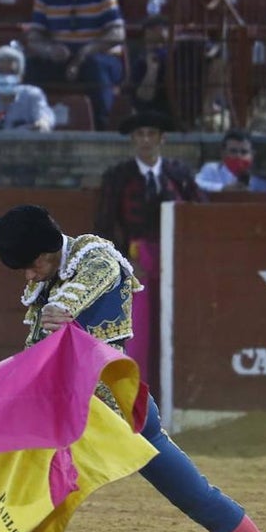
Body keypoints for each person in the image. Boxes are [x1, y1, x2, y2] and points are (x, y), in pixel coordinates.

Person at [0, 204, 266, 532]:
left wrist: (60, 310)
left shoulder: (95, 257)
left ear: (45, 252)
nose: (28, 275)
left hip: (94, 414)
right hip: (123, 407)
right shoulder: (52, 276)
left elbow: (75, 297)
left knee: (34, 487)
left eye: (29, 265)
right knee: (194, 494)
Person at [97, 111, 203, 394]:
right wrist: (125, 261)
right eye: (140, 135)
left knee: (175, 326)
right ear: (133, 140)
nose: (145, 140)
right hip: (138, 259)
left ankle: (173, 395)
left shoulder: (178, 175)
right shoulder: (118, 177)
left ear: (161, 139)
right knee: (139, 332)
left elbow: (200, 215)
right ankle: (137, 398)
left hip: (176, 259)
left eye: (151, 134)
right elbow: (105, 224)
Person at [25, 0, 126, 131]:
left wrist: (86, 52)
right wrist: (49, 49)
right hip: (61, 57)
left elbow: (117, 33)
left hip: (98, 56)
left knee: (95, 68)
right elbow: (34, 36)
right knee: (31, 69)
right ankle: (35, 125)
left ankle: (101, 129)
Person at [129, 14, 223, 130]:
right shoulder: (142, 59)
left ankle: (208, 104)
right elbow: (144, 97)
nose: (151, 32)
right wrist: (152, 70)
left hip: (189, 99)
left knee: (220, 60)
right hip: (158, 106)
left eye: (156, 28)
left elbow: (216, 51)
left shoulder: (183, 46)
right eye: (150, 29)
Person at [195, 129, 266, 195]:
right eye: (233, 151)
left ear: (252, 155)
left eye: (244, 152)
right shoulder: (212, 169)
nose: (238, 156)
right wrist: (223, 188)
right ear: (223, 153)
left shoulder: (259, 177)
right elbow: (196, 184)